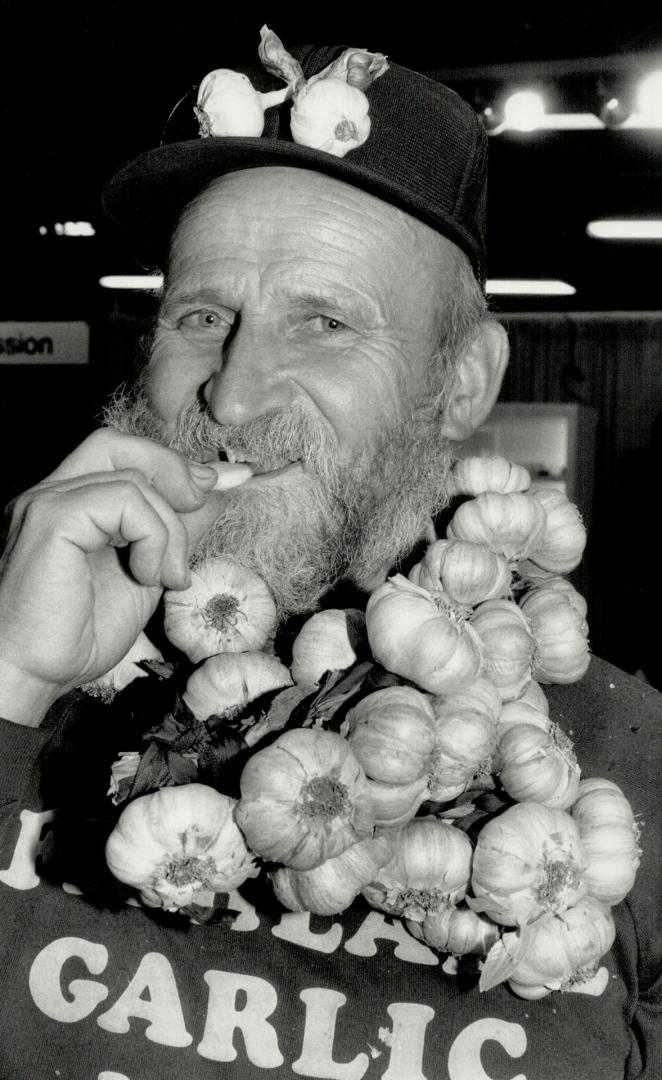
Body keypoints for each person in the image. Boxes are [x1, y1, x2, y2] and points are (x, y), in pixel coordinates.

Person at [0, 32, 660, 1080]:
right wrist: (11, 686)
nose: (232, 394)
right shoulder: (20, 674)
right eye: (203, 316)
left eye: (321, 321)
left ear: (459, 384)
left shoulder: (629, 769)